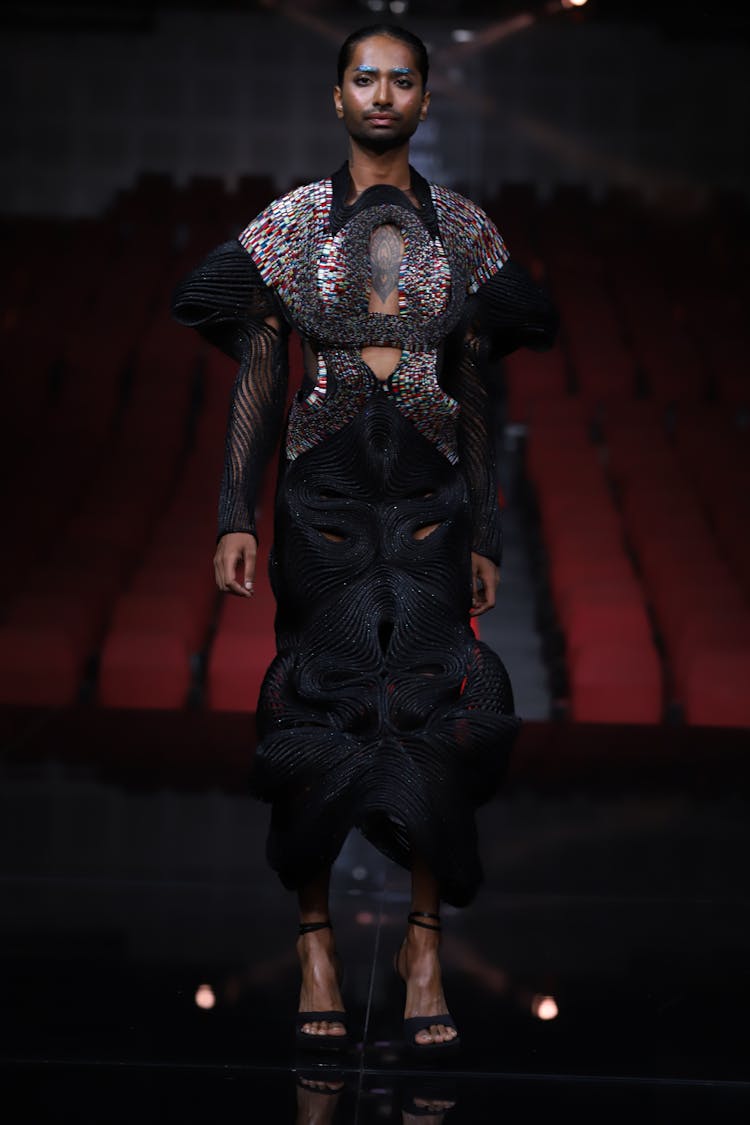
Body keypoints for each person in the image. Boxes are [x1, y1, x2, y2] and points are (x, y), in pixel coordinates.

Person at [172, 23, 557, 1055]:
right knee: (314, 711)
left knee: (441, 715)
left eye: (402, 81)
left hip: (432, 511)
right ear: (336, 97)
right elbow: (257, 370)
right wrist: (230, 514)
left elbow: (478, 384)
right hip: (321, 511)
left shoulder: (466, 230)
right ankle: (313, 944)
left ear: (425, 100)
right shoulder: (295, 223)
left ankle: (425, 943)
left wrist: (483, 530)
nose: (383, 95)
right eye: (364, 78)